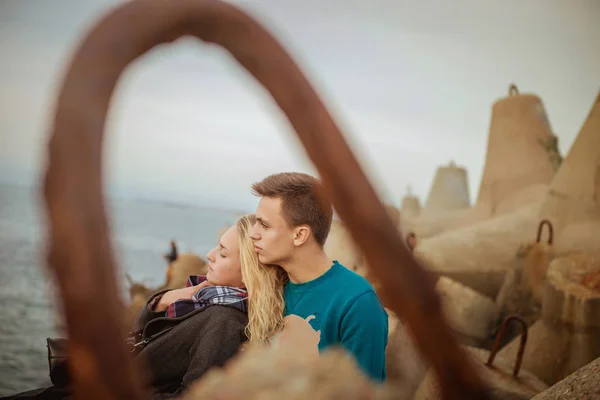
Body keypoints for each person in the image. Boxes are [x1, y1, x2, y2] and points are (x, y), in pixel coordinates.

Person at [2, 214, 287, 399]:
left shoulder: (224, 321)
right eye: (216, 246)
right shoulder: (208, 297)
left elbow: (194, 394)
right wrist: (164, 299)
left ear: (249, 272)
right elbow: (143, 334)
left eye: (223, 253)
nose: (210, 255)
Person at [250, 172, 389, 381]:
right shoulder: (270, 283)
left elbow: (362, 392)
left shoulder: (358, 303)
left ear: (299, 235)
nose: (253, 233)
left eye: (265, 225)